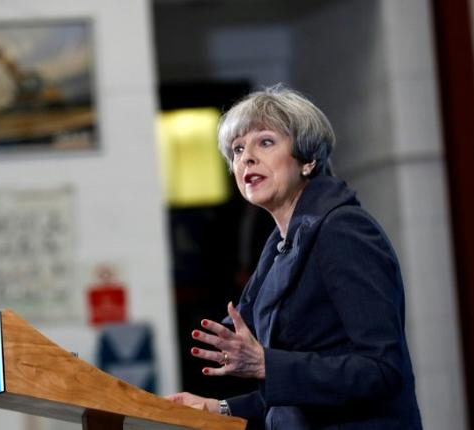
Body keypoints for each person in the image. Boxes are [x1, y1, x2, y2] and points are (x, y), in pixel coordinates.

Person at [167, 85, 423, 429]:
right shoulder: (280, 247)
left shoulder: (342, 230)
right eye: (237, 149)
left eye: (265, 142)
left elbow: (381, 370)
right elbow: (297, 392)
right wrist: (219, 408)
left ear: (308, 159)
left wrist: (265, 365)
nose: (247, 157)